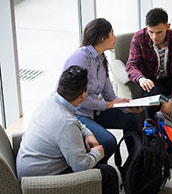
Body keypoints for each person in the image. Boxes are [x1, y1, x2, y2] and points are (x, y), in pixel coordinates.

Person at [16, 66, 119, 194]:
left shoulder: (49, 101)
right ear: (83, 94)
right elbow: (81, 166)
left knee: (97, 159)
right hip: (40, 182)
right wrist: (97, 153)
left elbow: (74, 121)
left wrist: (88, 134)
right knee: (109, 174)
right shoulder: (66, 123)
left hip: (30, 169)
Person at [63, 18, 143, 163]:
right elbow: (79, 98)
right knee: (108, 142)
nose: (115, 37)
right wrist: (106, 105)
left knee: (131, 119)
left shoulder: (100, 59)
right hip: (78, 114)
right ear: (102, 38)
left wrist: (125, 106)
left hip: (95, 111)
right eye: (112, 34)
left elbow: (109, 96)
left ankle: (134, 167)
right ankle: (98, 174)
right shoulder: (80, 58)